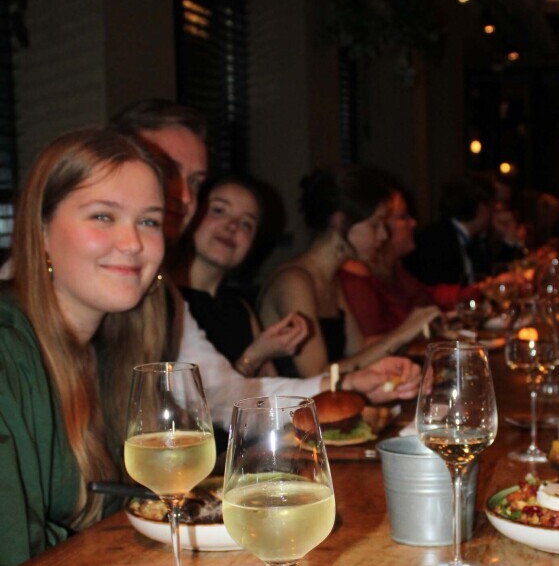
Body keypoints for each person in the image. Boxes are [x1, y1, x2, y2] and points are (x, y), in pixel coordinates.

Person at [110, 101, 421, 423]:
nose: (185, 197)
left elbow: (223, 393)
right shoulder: (127, 288)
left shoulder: (168, 297)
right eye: (167, 171)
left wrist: (349, 384)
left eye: (195, 181)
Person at [0, 127, 167, 566]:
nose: (133, 243)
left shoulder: (119, 350)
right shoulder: (6, 351)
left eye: (149, 221)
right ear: (41, 232)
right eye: (103, 216)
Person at [258, 166, 438, 378]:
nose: (383, 235)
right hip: (292, 400)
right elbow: (316, 375)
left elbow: (358, 349)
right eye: (376, 225)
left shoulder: (329, 277)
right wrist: (402, 334)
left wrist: (418, 336)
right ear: (339, 220)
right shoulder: (295, 281)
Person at [177, 174, 306, 375]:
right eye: (219, 210)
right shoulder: (166, 300)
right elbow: (192, 393)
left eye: (246, 223)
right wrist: (254, 357)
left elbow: (272, 388)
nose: (232, 226)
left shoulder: (239, 308)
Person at [339, 185, 437, 337]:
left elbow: (426, 299)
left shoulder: (393, 268)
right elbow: (368, 343)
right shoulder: (355, 275)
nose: (413, 223)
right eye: (403, 217)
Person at [405, 174, 493, 288]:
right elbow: (438, 290)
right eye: (492, 207)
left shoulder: (475, 240)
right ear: (481, 209)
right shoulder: (435, 240)